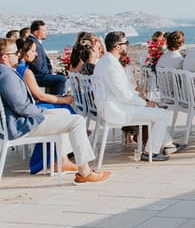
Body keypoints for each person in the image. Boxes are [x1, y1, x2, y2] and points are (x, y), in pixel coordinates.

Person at [0, 38, 111, 183]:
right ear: (4, 57)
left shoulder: (6, 72)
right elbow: (22, 107)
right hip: (20, 125)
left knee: (64, 113)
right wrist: (42, 112)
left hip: (21, 121)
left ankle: (62, 160)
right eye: (15, 52)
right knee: (76, 120)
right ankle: (85, 172)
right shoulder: (7, 76)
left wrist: (43, 111)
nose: (18, 54)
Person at [94, 31, 184, 161]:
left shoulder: (105, 61)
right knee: (162, 114)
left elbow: (124, 89)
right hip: (118, 110)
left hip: (112, 107)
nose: (127, 46)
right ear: (117, 46)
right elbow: (123, 94)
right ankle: (150, 153)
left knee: (154, 109)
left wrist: (142, 98)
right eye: (126, 43)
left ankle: (167, 144)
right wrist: (145, 103)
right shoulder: (111, 65)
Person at [15, 37, 79, 174]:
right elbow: (40, 96)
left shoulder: (18, 69)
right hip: (31, 110)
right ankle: (62, 158)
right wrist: (63, 100)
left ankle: (62, 155)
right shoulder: (25, 71)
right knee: (65, 110)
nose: (36, 54)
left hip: (28, 108)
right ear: (23, 52)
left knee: (65, 109)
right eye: (33, 51)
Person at [26, 20, 67, 95]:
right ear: (36, 32)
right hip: (36, 75)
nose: (46, 33)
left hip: (39, 74)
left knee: (60, 76)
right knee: (61, 79)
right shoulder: (33, 43)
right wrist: (49, 73)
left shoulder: (36, 42)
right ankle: (56, 101)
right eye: (44, 30)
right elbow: (37, 65)